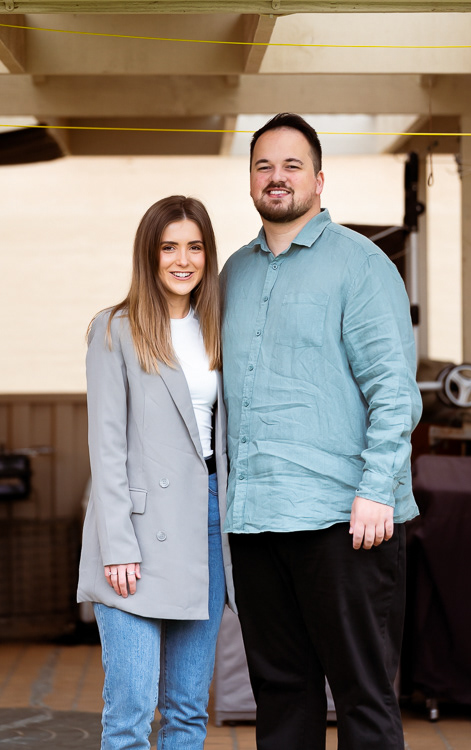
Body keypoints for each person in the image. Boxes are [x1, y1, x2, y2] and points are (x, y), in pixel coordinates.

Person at [220, 114, 422, 750]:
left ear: (319, 179)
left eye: (292, 165)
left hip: (346, 519)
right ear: (250, 180)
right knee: (282, 698)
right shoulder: (232, 273)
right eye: (263, 165)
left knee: (363, 696)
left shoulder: (360, 264)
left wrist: (377, 489)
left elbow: (394, 389)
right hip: (257, 521)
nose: (276, 177)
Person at [77, 195, 235, 750]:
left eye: (195, 247)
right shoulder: (113, 329)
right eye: (169, 247)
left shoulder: (218, 328)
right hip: (136, 533)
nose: (182, 260)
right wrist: (117, 545)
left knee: (188, 711)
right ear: (149, 254)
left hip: (206, 524)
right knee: (131, 712)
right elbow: (106, 447)